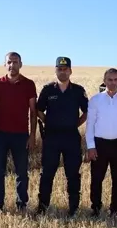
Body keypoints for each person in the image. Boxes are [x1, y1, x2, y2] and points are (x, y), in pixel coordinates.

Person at [35, 57, 89, 217]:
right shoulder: (48, 90)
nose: (63, 71)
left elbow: (87, 111)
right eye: (60, 69)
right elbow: (38, 110)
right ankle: (42, 207)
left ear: (70, 71)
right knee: (47, 173)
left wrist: (75, 124)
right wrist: (49, 122)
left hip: (71, 137)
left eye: (65, 69)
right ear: (56, 70)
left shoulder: (78, 90)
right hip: (51, 137)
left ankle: (73, 208)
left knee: (72, 174)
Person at [0, 52, 37, 212]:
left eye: (15, 62)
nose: (12, 65)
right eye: (9, 62)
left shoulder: (29, 84)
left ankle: (22, 204)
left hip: (21, 135)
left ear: (20, 64)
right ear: (4, 64)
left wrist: (32, 135)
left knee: (22, 172)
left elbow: (33, 111)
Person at [85, 68, 117, 219]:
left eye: (116, 80)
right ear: (104, 80)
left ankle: (115, 209)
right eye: (110, 80)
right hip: (100, 145)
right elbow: (90, 125)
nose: (113, 83)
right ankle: (96, 208)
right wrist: (91, 146)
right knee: (96, 179)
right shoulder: (95, 100)